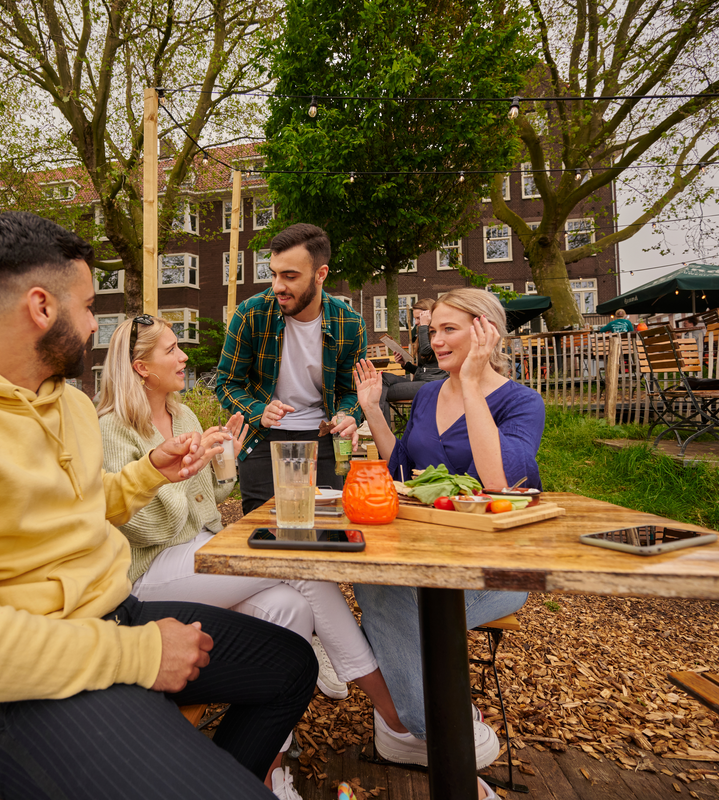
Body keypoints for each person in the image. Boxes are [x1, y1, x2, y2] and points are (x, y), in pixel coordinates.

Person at [0, 212, 318, 800]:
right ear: (41, 307)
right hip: (1, 698)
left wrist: (145, 474)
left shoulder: (66, 404)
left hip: (111, 619)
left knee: (290, 665)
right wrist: (138, 653)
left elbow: (75, 504)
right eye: (88, 309)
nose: (95, 327)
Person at [98, 315, 411, 800]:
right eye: (172, 349)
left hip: (199, 553)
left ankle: (266, 764)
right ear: (141, 367)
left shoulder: (183, 418)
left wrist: (225, 466)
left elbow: (207, 500)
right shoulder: (112, 429)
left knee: (293, 606)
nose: (184, 356)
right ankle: (394, 715)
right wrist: (176, 476)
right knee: (299, 566)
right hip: (148, 577)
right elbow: (138, 526)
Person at [350, 288, 546, 788]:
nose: (433, 340)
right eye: (432, 329)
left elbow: (501, 480)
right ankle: (441, 729)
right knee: (373, 581)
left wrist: (475, 383)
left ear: (485, 332)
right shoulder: (430, 394)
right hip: (424, 556)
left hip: (495, 568)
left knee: (383, 598)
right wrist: (373, 410)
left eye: (448, 329)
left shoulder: (522, 401)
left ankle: (415, 722)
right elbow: (404, 475)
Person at [215, 223, 366, 516]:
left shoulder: (350, 322)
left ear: (320, 274)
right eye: (274, 274)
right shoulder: (250, 313)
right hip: (261, 439)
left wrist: (348, 415)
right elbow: (226, 383)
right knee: (263, 534)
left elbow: (353, 391)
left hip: (323, 441)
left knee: (325, 530)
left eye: (290, 276)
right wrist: (260, 411)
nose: (277, 286)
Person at [378, 297, 448, 425]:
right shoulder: (424, 335)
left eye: (418, 318)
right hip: (421, 381)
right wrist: (405, 365)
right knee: (382, 378)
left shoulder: (439, 335)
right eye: (415, 318)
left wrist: (424, 326)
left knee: (380, 393)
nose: (416, 322)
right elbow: (423, 370)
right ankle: (383, 429)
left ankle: (382, 430)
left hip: (432, 384)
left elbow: (427, 351)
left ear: (428, 315)